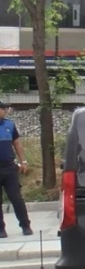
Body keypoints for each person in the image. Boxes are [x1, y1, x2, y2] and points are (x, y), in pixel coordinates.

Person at [0, 101, 31, 238]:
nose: (5, 111)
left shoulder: (9, 125)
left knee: (16, 198)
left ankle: (25, 225)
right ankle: (1, 229)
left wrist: (23, 161)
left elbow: (17, 143)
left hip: (9, 168)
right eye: (3, 108)